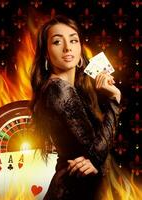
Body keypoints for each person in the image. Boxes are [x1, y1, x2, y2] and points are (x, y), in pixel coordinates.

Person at [30, 15, 121, 200]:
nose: (67, 47)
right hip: (71, 191)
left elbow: (96, 150)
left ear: (80, 49)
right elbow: (94, 151)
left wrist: (105, 96)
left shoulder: (73, 90)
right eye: (57, 41)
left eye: (73, 40)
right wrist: (114, 98)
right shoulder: (58, 88)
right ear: (46, 53)